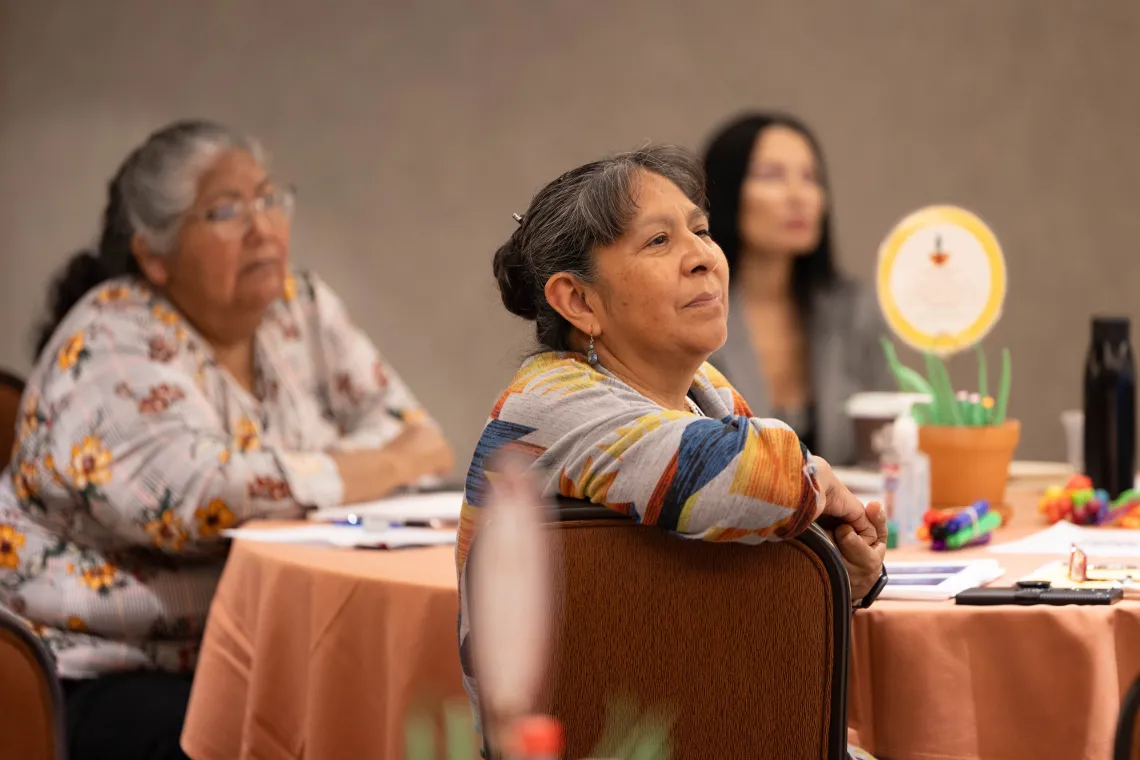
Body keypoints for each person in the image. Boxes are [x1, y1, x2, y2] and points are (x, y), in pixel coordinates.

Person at [0, 120, 452, 759]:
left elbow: (422, 440)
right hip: (107, 668)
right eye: (224, 212)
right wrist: (372, 464)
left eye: (270, 199)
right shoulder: (109, 341)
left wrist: (335, 468)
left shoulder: (300, 306)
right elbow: (205, 498)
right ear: (154, 255)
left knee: (409, 720)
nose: (262, 228)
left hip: (250, 650)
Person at [456, 146, 885, 758]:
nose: (703, 258)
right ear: (578, 301)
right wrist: (819, 482)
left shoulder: (705, 390)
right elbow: (762, 478)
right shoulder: (546, 400)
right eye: (659, 241)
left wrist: (840, 574)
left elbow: (723, 567)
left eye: (702, 231)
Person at [703, 112, 892, 465]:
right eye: (771, 176)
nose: (799, 195)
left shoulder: (854, 312)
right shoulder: (690, 311)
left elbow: (886, 448)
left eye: (810, 177)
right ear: (725, 190)